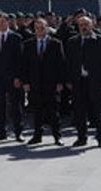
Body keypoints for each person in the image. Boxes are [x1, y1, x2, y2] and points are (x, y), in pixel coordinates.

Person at [65, 16, 101, 148]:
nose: (83, 27)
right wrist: (68, 80)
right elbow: (68, 63)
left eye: (86, 24)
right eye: (81, 25)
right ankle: (81, 138)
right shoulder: (72, 41)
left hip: (97, 82)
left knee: (99, 112)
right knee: (80, 112)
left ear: (92, 25)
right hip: (78, 82)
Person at [19, 17, 66, 145]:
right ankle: (37, 136)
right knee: (37, 112)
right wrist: (26, 82)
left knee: (53, 112)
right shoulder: (28, 44)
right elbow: (24, 66)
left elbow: (61, 64)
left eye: (42, 28)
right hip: (34, 83)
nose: (39, 30)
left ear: (47, 28)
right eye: (37, 28)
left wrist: (60, 82)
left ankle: (57, 136)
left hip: (51, 84)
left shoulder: (56, 43)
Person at [0, 12, 24, 141]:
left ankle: (18, 132)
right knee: (0, 106)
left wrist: (18, 77)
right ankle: (2, 131)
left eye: (3, 21)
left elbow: (20, 59)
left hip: (13, 78)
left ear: (8, 22)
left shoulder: (16, 37)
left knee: (15, 105)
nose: (0, 24)